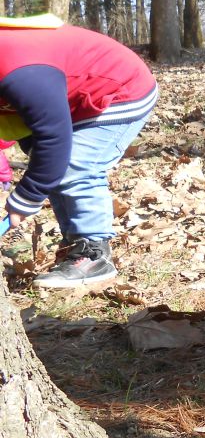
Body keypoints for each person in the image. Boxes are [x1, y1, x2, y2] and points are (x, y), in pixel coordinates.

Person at [0, 15, 158, 287]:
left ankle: (94, 253)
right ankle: (76, 243)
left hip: (118, 90)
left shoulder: (21, 69)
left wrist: (25, 198)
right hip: (67, 100)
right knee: (54, 167)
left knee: (73, 165)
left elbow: (54, 138)